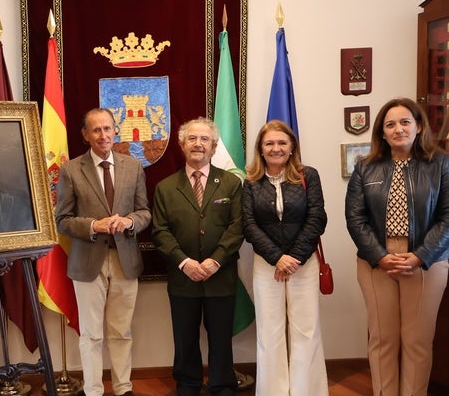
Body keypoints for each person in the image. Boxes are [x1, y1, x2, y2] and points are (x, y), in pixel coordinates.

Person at [345, 98, 449, 396]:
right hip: (376, 261)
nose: (398, 129)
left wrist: (420, 256)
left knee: (417, 340)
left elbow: (447, 216)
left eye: (405, 122)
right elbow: (355, 218)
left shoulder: (441, 164)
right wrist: (380, 256)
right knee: (383, 338)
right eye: (390, 124)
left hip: (427, 260)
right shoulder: (365, 168)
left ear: (418, 127)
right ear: (382, 132)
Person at [55, 107, 151, 396]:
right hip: (87, 262)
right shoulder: (71, 170)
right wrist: (95, 225)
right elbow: (62, 220)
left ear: (115, 131)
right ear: (85, 135)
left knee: (121, 331)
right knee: (92, 334)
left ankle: (124, 388)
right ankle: (93, 390)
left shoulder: (133, 166)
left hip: (125, 260)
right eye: (96, 130)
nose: (103, 135)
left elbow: (145, 212)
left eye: (107, 128)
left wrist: (130, 221)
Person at [151, 118, 244, 396]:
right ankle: (188, 383)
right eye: (192, 139)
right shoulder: (165, 187)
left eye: (204, 139)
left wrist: (215, 260)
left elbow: (237, 227)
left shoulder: (230, 184)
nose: (198, 144)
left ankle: (222, 384)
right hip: (183, 278)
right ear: (181, 145)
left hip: (221, 276)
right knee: (185, 337)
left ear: (214, 147)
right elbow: (160, 231)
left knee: (220, 337)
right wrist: (185, 262)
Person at [242, 119, 328, 395]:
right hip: (267, 266)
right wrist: (277, 258)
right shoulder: (251, 182)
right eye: (269, 143)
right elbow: (248, 225)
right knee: (270, 332)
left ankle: (307, 390)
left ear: (292, 147)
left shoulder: (308, 176)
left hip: (303, 263)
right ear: (261, 149)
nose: (276, 148)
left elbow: (317, 218)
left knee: (306, 330)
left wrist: (294, 258)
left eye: (282, 142)